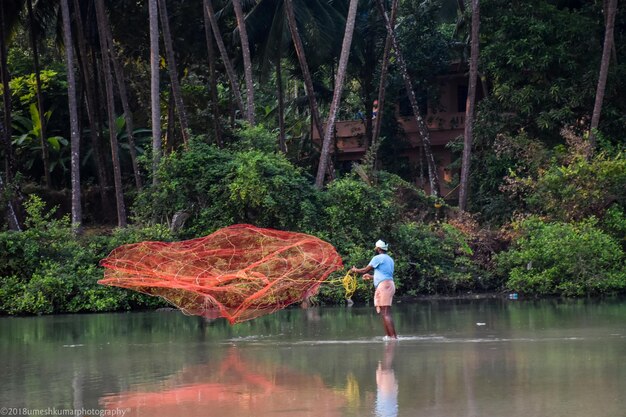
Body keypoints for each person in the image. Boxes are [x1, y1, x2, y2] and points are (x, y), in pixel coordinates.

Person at [351, 240, 397, 339]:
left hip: (384, 286)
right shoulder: (389, 259)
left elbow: (364, 270)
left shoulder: (377, 258)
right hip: (389, 285)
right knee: (385, 313)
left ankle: (393, 337)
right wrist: (371, 277)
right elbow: (384, 275)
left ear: (378, 249)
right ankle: (389, 337)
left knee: (385, 313)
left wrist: (355, 270)